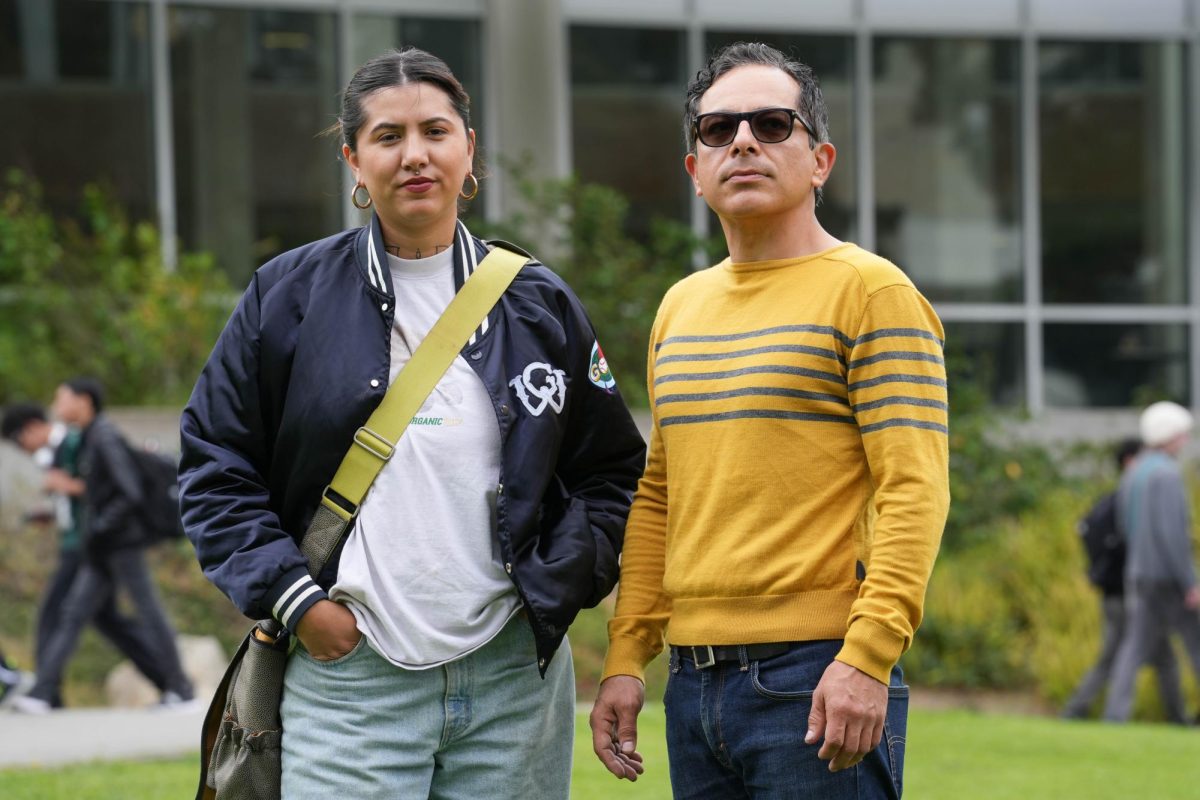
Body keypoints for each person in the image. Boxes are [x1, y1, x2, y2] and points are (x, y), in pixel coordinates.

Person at [179, 48, 645, 799]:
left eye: (435, 131)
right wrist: (300, 604)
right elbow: (215, 469)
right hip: (350, 679)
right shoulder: (288, 295)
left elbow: (611, 472)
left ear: (469, 150)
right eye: (388, 137)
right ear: (354, 160)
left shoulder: (538, 302)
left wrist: (554, 585)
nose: (415, 155)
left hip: (512, 686)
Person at [590, 42, 949, 798]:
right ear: (695, 171)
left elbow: (914, 488)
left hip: (817, 678)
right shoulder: (680, 306)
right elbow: (661, 494)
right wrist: (628, 655)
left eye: (771, 123)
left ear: (820, 160)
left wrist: (868, 655)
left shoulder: (872, 292)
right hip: (692, 685)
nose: (743, 141)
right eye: (718, 130)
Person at [11, 379, 195, 714]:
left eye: (61, 397)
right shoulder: (89, 437)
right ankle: (42, 693)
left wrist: (98, 526)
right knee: (73, 613)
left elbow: (130, 491)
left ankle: (182, 691)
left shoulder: (104, 436)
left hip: (120, 542)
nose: (56, 404)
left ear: (83, 401)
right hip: (102, 545)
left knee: (148, 611)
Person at [1062, 437, 1185, 721]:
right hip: (1128, 592)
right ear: (1130, 461)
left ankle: (1176, 716)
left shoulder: (1112, 499)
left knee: (1155, 654)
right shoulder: (1128, 500)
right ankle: (1087, 710)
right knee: (1127, 654)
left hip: (1115, 591)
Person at [1103, 401, 1200, 722]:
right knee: (1195, 643)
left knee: (1134, 648)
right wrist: (1190, 582)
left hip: (1138, 572)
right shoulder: (1167, 475)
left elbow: (1124, 525)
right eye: (1182, 435)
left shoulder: (1135, 473)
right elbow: (1173, 534)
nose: (1185, 442)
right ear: (1170, 435)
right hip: (1167, 577)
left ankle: (1116, 715)